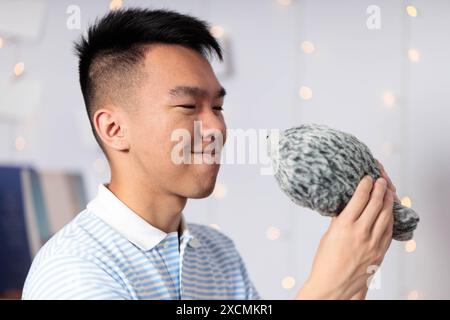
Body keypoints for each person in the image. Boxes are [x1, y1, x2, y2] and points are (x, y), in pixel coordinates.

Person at [22, 8, 397, 300]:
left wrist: (355, 267)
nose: (217, 129)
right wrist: (326, 287)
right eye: (188, 106)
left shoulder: (217, 253)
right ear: (113, 129)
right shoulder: (75, 271)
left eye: (217, 108)